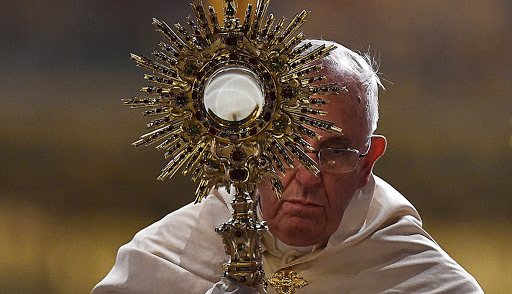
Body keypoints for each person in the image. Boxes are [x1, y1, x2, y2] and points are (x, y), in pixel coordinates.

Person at [92, 39, 483, 293]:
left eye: (335, 152)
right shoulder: (165, 257)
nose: (308, 177)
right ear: (252, 147)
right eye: (290, 146)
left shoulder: (419, 278)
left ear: (368, 163)